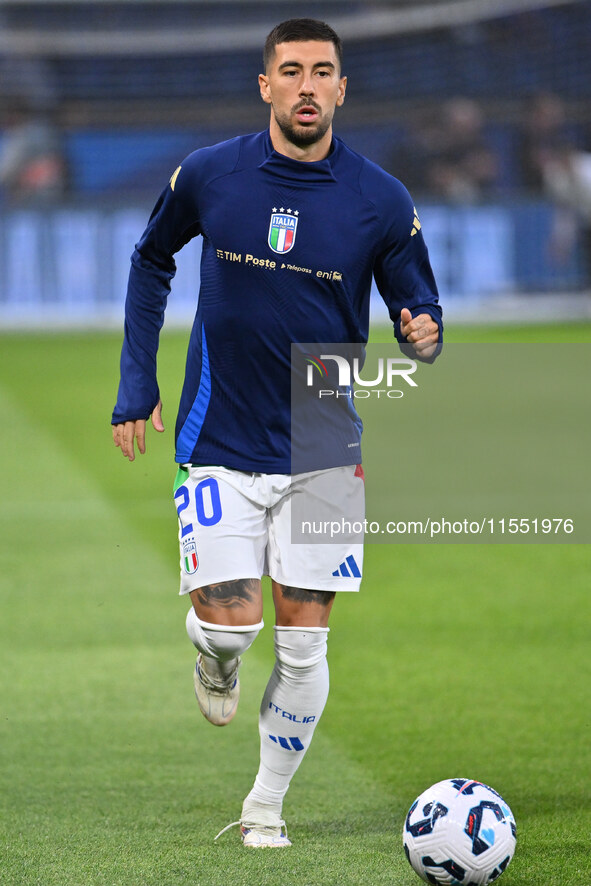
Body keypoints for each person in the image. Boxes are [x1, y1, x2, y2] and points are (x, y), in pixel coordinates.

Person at [112, 18, 442, 849]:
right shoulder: (210, 175)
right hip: (220, 428)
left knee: (302, 644)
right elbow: (151, 259)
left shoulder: (381, 198)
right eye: (289, 71)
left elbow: (418, 301)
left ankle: (265, 808)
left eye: (320, 72)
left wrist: (422, 329)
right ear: (266, 85)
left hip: (324, 437)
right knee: (229, 623)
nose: (305, 85)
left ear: (340, 88)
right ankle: (215, 654)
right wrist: (136, 381)